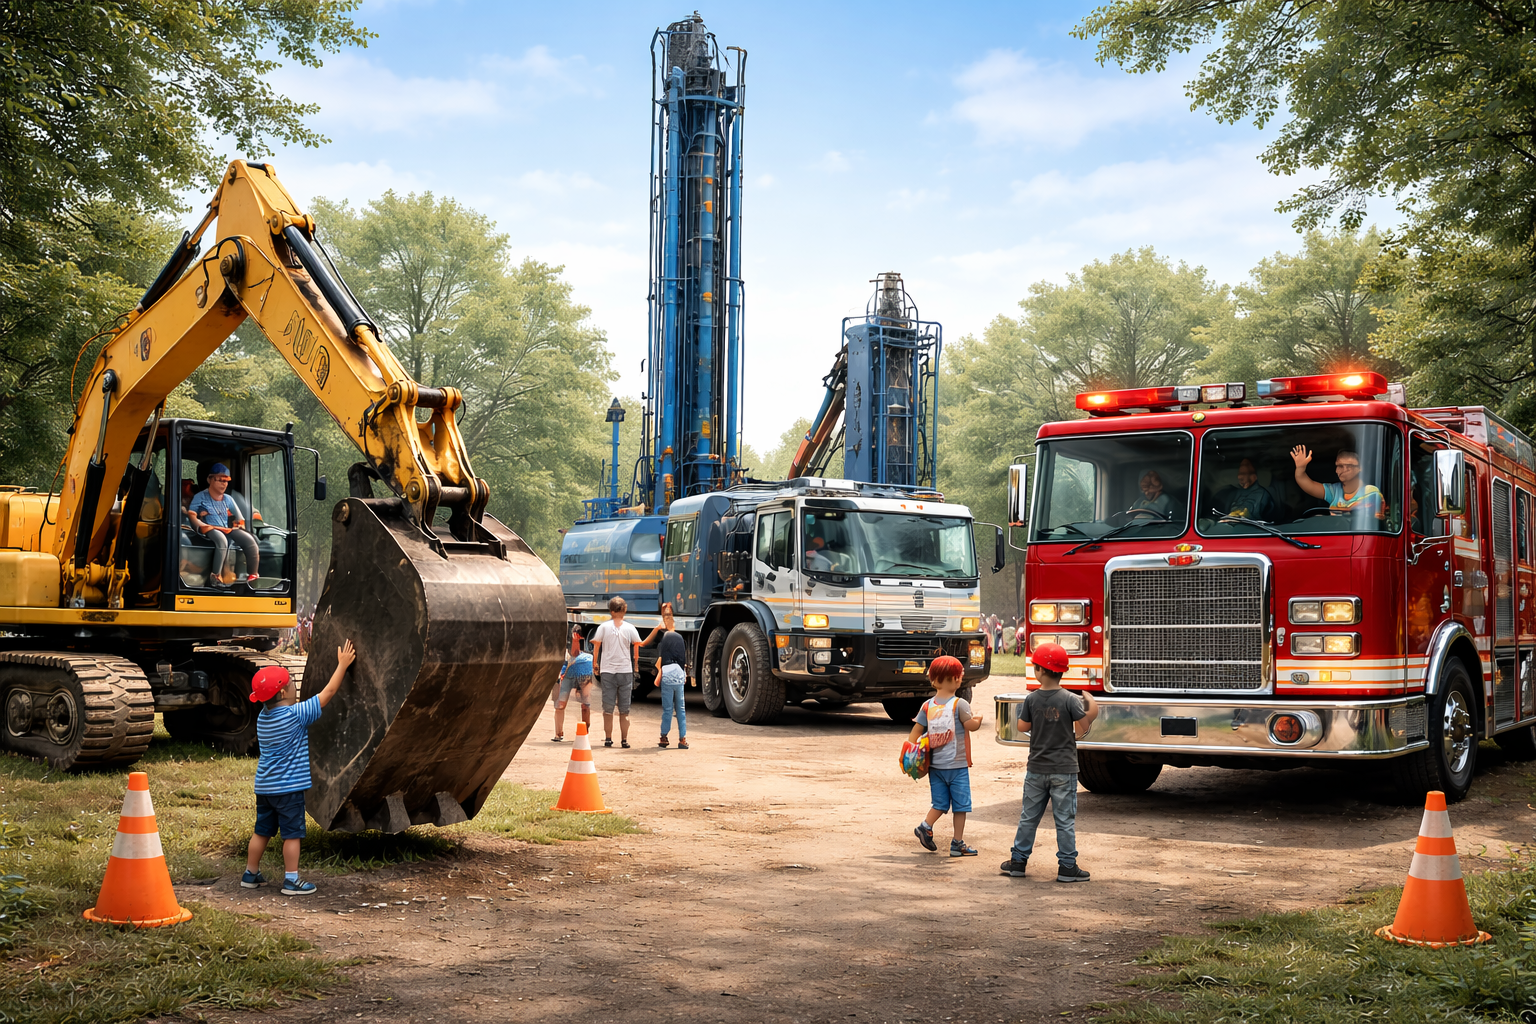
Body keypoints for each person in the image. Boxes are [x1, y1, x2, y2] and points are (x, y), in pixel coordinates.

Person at [242, 638, 356, 896]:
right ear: (283, 693)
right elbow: (326, 694)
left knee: (262, 831)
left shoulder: (263, 718)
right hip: (288, 790)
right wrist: (342, 665)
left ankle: (250, 873)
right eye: (292, 684)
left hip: (265, 787)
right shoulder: (296, 715)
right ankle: (291, 880)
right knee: (291, 835)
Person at [1000, 641, 1099, 882]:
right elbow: (1083, 727)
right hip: (1064, 770)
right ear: (1061, 671)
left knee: (1029, 816)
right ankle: (1067, 866)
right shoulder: (1070, 699)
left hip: (1036, 769)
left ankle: (1018, 862)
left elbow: (1022, 726)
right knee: (1064, 819)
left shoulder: (1031, 700)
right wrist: (1091, 710)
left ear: (1040, 671)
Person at [909, 656, 984, 858]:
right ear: (958, 679)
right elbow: (970, 726)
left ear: (932, 680)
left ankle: (925, 826)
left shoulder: (927, 705)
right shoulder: (960, 704)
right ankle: (957, 843)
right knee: (961, 806)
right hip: (957, 766)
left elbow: (916, 729)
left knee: (940, 804)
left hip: (935, 767)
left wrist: (910, 749)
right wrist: (978, 719)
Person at [187, 462, 260, 585]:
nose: (224, 484)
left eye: (226, 481)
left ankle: (253, 575)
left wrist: (239, 525)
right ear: (210, 479)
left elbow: (240, 517)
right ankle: (216, 576)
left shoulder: (228, 499)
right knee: (222, 541)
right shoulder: (200, 497)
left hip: (226, 528)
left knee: (250, 540)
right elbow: (191, 514)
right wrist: (200, 525)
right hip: (210, 528)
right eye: (220, 480)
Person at [591, 596, 641, 748]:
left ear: (611, 611)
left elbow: (597, 647)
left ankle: (608, 738)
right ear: (624, 611)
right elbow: (636, 648)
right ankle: (624, 740)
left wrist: (595, 664)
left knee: (608, 708)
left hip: (607, 671)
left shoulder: (603, 627)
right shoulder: (630, 628)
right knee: (624, 710)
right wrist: (636, 665)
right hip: (625, 671)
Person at [1290, 446, 1384, 518]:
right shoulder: (1334, 491)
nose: (1343, 470)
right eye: (1339, 466)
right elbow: (1310, 486)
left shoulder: (1371, 493)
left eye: (1349, 466)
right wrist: (1300, 469)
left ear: (1360, 468)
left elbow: (1374, 524)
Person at [649, 603, 689, 749]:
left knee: (667, 709)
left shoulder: (664, 638)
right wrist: (684, 675)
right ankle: (682, 739)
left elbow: (663, 659)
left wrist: (659, 674)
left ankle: (664, 737)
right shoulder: (680, 638)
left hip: (668, 675)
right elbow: (683, 659)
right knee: (681, 709)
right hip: (679, 674)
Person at [552, 627, 593, 742]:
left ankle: (585, 732)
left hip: (583, 671)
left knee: (585, 705)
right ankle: (558, 733)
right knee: (560, 704)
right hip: (568, 673)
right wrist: (560, 675)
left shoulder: (588, 643)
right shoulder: (564, 643)